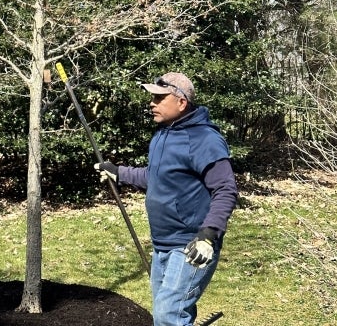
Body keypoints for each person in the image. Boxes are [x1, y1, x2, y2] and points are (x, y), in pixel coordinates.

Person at [94, 71, 237, 326]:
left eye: (159, 98)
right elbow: (156, 176)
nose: (152, 103)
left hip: (191, 245)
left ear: (181, 103)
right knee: (171, 313)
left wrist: (208, 235)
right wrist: (119, 173)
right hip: (161, 243)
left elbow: (225, 189)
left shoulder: (204, 139)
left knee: (168, 316)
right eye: (152, 97)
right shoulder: (162, 135)